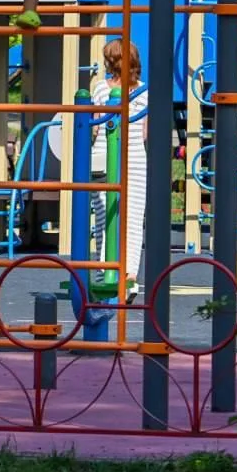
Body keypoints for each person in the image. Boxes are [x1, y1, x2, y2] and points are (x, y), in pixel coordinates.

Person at [89, 40, 148, 295]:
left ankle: (104, 271)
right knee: (132, 217)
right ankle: (129, 275)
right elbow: (145, 132)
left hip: (102, 156)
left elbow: (95, 127)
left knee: (105, 215)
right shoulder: (144, 91)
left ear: (109, 62)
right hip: (135, 157)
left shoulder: (101, 89)